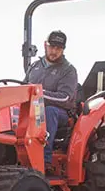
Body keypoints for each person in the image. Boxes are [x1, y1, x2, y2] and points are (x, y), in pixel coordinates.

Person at [24, 30, 79, 173]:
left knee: (47, 112)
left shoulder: (68, 70)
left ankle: (44, 160)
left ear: (63, 50)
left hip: (60, 113)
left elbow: (65, 97)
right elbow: (23, 87)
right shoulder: (35, 66)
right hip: (33, 109)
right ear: (45, 45)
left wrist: (38, 95)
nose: (54, 51)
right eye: (52, 47)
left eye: (58, 48)